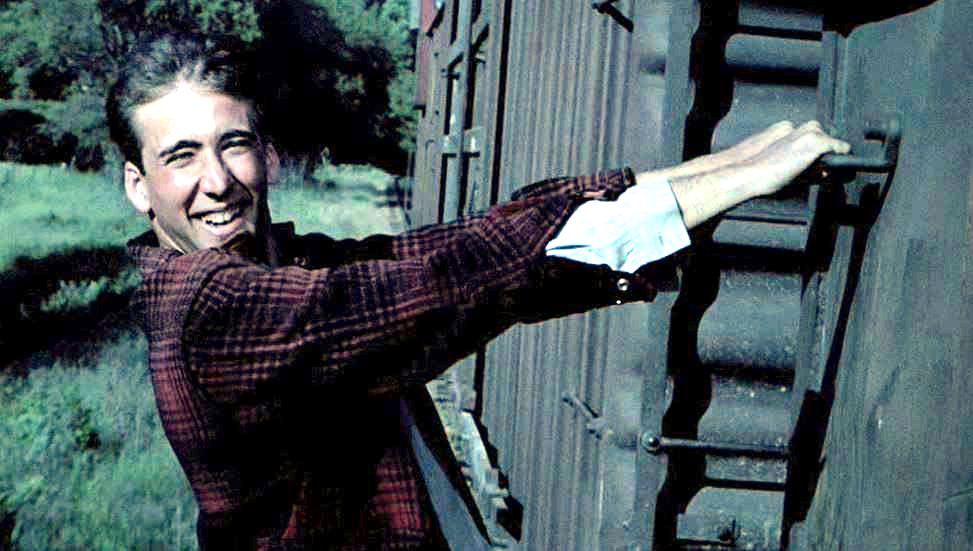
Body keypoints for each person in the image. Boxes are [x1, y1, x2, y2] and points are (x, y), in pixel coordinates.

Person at [108, 33, 849, 550]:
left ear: (267, 155)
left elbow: (457, 244)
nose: (217, 181)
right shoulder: (208, 310)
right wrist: (731, 182)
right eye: (181, 157)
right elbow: (449, 281)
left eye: (233, 144)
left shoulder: (287, 265)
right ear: (139, 187)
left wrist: (717, 171)